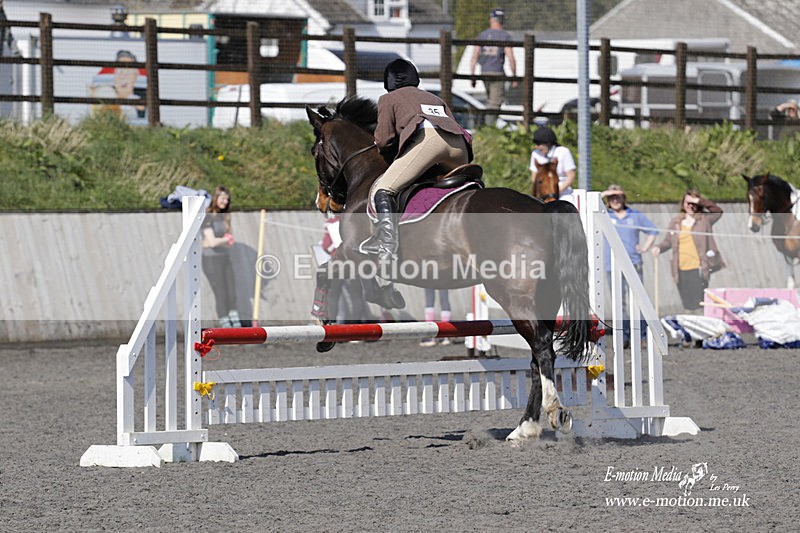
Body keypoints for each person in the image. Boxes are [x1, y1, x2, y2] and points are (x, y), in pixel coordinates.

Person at [365, 58, 473, 264]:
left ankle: (387, 245)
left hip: (429, 141)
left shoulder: (389, 99)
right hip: (459, 147)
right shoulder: (433, 98)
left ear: (389, 82)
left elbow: (383, 139)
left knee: (384, 189)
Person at [601, 184, 659, 347]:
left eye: (617, 197)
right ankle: (624, 336)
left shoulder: (635, 215)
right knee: (619, 303)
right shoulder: (605, 215)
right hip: (612, 265)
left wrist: (645, 247)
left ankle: (642, 335)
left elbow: (653, 231)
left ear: (623, 198)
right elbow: (589, 207)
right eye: (611, 198)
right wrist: (605, 193)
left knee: (638, 300)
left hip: (633, 263)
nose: (615, 200)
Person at [651, 189, 724, 311]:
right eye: (688, 203)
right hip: (680, 269)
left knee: (699, 303)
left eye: (693, 203)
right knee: (687, 303)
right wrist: (659, 247)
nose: (690, 206)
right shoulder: (676, 222)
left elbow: (718, 211)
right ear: (683, 204)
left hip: (698, 268)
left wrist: (700, 200)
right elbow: (668, 241)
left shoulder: (704, 220)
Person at [201, 186, 241, 327]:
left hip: (224, 257)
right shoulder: (208, 216)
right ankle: (225, 323)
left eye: (227, 199)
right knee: (220, 292)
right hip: (211, 260)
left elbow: (227, 243)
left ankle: (236, 323)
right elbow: (212, 242)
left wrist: (220, 242)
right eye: (223, 198)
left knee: (231, 290)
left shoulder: (225, 218)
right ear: (216, 198)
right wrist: (224, 240)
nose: (226, 201)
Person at [470, 8, 517, 126]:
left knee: (490, 100)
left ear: (491, 20)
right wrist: (514, 76)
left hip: (484, 72)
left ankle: (488, 125)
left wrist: (472, 76)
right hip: (497, 73)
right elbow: (510, 57)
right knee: (495, 103)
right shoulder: (505, 36)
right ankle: (489, 128)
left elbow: (474, 56)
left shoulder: (482, 35)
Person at [529, 126, 577, 205]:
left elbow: (571, 177)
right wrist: (544, 193)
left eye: (538, 144)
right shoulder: (535, 154)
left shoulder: (563, 152)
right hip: (542, 193)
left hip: (563, 192)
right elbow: (534, 178)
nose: (536, 147)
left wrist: (554, 192)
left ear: (548, 143)